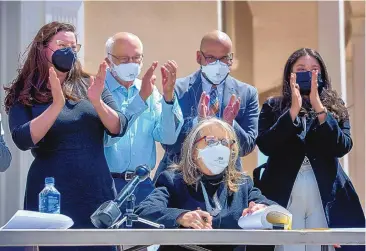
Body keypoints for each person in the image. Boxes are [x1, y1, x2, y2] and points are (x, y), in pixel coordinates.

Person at [4, 22, 141, 251]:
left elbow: (119, 126)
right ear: (43, 48)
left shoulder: (89, 83)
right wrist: (56, 106)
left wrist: (97, 102)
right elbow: (23, 139)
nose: (69, 51)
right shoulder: (25, 90)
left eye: (73, 46)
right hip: (51, 195)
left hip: (96, 192)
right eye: (61, 45)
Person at [254, 48, 365, 251]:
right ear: (291, 74)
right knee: (288, 245)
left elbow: (342, 146)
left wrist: (319, 108)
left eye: (315, 70)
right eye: (302, 69)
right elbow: (266, 145)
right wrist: (292, 112)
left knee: (321, 244)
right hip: (284, 190)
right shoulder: (273, 105)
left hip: (324, 190)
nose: (309, 74)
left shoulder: (334, 106)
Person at [135, 118, 276, 251]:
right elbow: (143, 212)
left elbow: (271, 210)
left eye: (225, 143)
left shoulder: (242, 184)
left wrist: (262, 209)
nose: (220, 148)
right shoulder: (173, 180)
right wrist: (181, 217)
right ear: (194, 150)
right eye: (211, 141)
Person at [155, 30, 259, 181]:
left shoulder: (247, 93)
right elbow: (169, 145)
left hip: (225, 180)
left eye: (224, 58)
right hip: (181, 179)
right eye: (210, 58)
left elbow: (247, 146)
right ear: (199, 57)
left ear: (231, 59)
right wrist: (199, 122)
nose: (218, 64)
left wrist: (229, 124)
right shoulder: (177, 90)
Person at [104, 32, 183, 209]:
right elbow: (108, 138)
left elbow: (167, 137)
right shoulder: (99, 90)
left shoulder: (149, 89)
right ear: (109, 61)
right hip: (107, 184)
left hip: (142, 186)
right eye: (124, 59)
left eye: (136, 58)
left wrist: (168, 96)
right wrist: (140, 99)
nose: (131, 64)